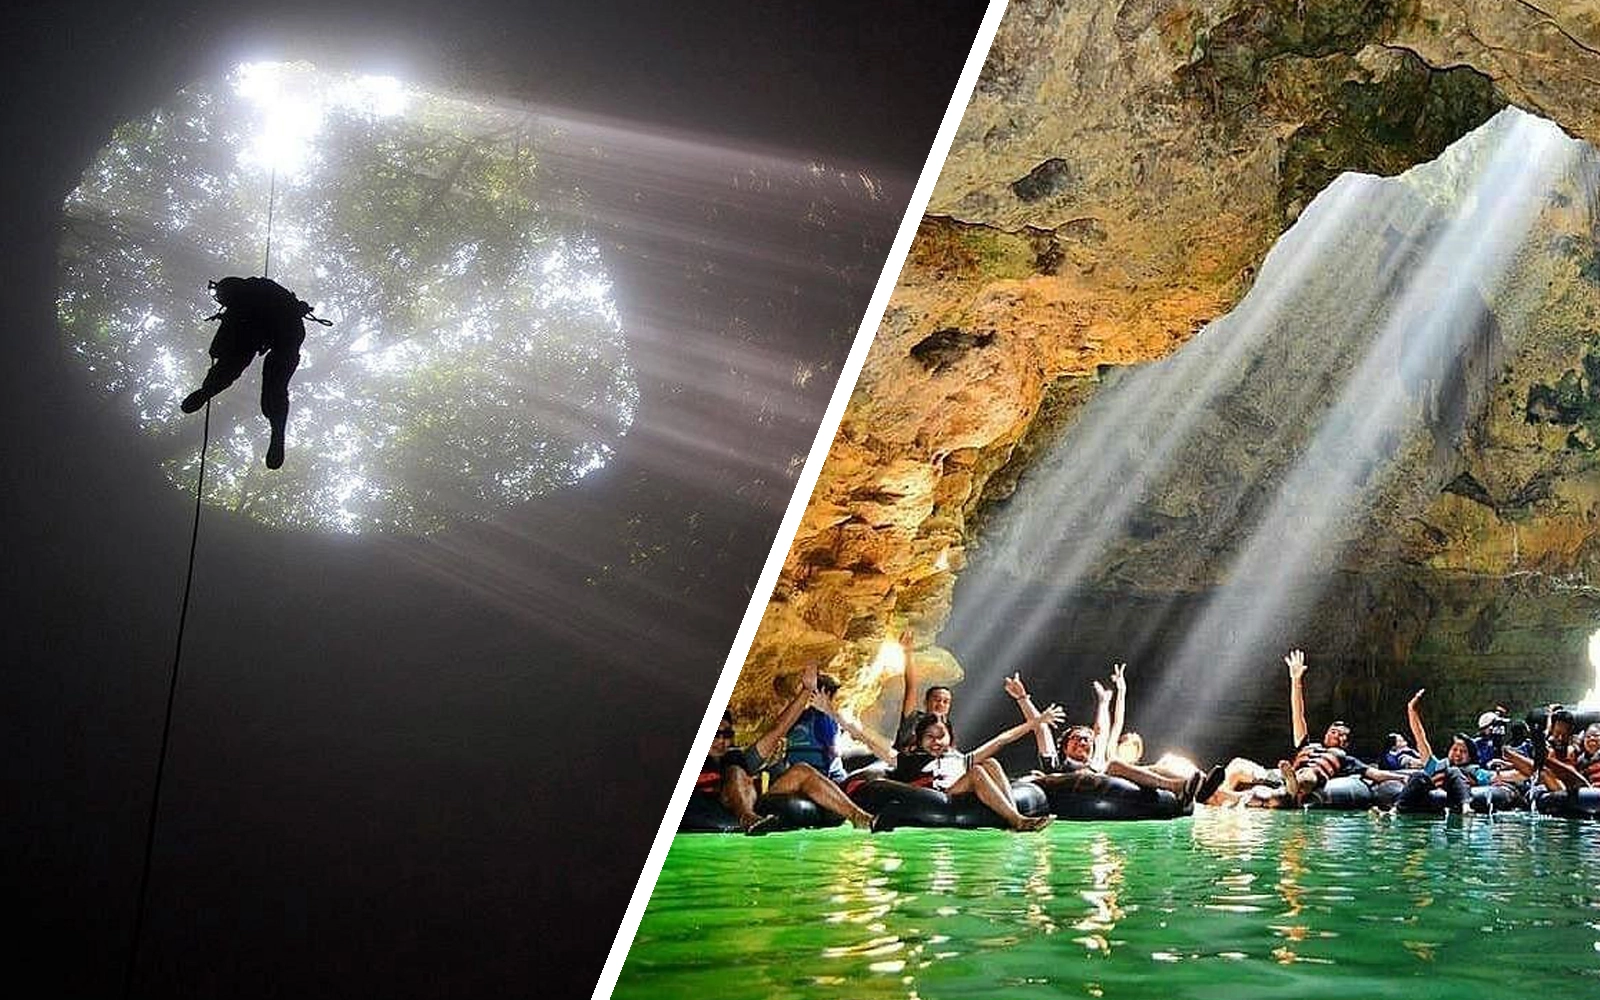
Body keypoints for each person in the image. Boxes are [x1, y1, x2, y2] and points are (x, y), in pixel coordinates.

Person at [834, 685, 1061, 833]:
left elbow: (1002, 739)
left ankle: (1012, 815)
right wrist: (835, 714)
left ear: (950, 739)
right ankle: (1018, 822)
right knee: (978, 772)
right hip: (934, 796)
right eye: (929, 737)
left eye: (940, 737)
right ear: (920, 740)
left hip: (960, 789)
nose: (935, 742)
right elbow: (869, 740)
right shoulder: (907, 759)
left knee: (990, 763)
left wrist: (1037, 721)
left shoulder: (959, 758)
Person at [179, 276, 325, 469]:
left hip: (274, 329)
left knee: (234, 364)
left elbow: (224, 340)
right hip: (287, 330)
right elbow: (227, 336)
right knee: (274, 384)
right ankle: (277, 428)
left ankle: (208, 390)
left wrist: (216, 351)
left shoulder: (241, 301)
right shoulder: (254, 293)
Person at [732, 664, 876, 832]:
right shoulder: (821, 719)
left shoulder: (808, 718)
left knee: (801, 770)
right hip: (805, 780)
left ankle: (859, 815)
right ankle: (858, 816)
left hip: (815, 782)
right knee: (802, 770)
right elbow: (829, 751)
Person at [1277, 650, 1410, 804]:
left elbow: (1374, 773)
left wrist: (1401, 777)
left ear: (1345, 744)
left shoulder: (1344, 759)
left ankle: (1293, 788)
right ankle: (1288, 787)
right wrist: (1296, 680)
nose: (1335, 734)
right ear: (1325, 735)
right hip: (1293, 772)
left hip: (1310, 778)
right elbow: (1298, 714)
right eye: (1333, 731)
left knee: (1307, 776)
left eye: (1340, 734)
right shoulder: (1306, 745)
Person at [1392, 689, 1490, 813]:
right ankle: (1394, 811)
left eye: (1463, 751)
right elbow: (1420, 737)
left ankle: (1466, 807)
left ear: (1470, 757)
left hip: (1460, 797)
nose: (1458, 754)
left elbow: (1496, 779)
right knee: (1418, 775)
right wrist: (1411, 709)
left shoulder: (1477, 771)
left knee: (1453, 771)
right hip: (1433, 797)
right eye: (1455, 749)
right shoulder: (1438, 766)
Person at [770, 670, 847, 782]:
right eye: (833, 698)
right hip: (821, 776)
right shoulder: (825, 719)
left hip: (793, 771)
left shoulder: (797, 716)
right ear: (827, 695)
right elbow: (834, 752)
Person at [894, 629, 954, 750]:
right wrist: (908, 652)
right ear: (926, 702)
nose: (941, 704)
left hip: (933, 767)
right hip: (904, 765)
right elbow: (911, 686)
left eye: (945, 701)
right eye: (937, 699)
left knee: (988, 763)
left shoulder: (946, 729)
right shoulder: (915, 719)